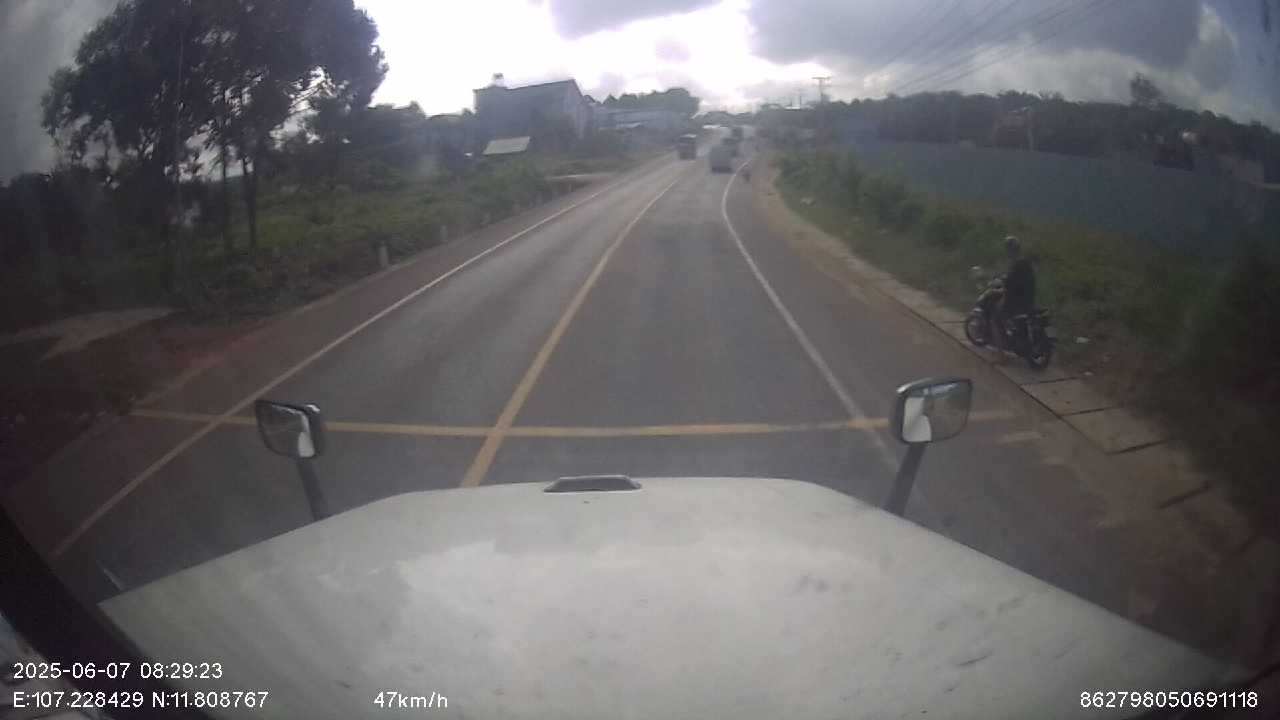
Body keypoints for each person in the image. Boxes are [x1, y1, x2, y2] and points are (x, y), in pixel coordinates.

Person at [991, 235, 1035, 350]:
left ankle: (1002, 348)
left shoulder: (1017, 263)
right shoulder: (1025, 262)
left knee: (996, 317)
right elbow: (1016, 280)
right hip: (1028, 298)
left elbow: (1009, 280)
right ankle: (1013, 334)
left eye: (1008, 249)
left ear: (1010, 250)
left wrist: (1001, 280)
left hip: (1016, 300)